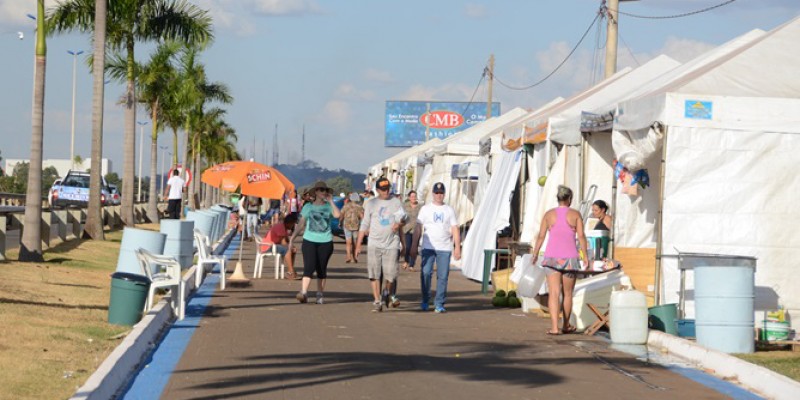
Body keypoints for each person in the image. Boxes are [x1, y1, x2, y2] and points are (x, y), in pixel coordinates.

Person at [530, 185, 589, 335]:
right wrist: (586, 257)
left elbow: (541, 236)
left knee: (554, 293)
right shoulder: (575, 214)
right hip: (570, 258)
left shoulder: (548, 215)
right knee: (568, 294)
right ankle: (566, 325)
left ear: (558, 198)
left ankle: (555, 328)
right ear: (569, 199)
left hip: (551, 258)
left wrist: (535, 253)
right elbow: (581, 236)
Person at [355, 178, 405, 312]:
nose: (386, 191)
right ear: (377, 190)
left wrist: (399, 224)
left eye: (387, 188)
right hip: (374, 243)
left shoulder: (396, 202)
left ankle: (386, 292)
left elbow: (404, 219)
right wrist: (358, 245)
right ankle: (377, 301)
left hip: (391, 244)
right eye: (383, 190)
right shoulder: (371, 204)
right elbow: (364, 224)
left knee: (391, 274)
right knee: (374, 273)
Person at [410, 182, 461, 313]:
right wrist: (414, 246)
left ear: (444, 194)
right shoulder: (425, 209)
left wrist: (457, 247)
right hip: (428, 247)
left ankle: (439, 303)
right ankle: (426, 299)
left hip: (444, 247)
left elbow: (455, 228)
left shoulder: (449, 210)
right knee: (426, 273)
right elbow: (418, 228)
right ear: (433, 194)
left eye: (441, 193)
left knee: (443, 276)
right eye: (437, 193)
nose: (439, 195)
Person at [289, 181, 340, 305]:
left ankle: (319, 294)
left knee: (321, 269)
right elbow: (301, 224)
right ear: (316, 192)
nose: (324, 192)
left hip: (326, 241)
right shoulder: (308, 207)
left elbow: (337, 215)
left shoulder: (329, 206)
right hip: (309, 240)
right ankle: (304, 292)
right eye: (321, 190)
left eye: (325, 190)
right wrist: (292, 239)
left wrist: (331, 201)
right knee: (309, 267)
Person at [260, 214, 299, 279]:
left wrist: (293, 247)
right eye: (293, 224)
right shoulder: (280, 227)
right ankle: (291, 272)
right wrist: (291, 247)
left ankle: (290, 270)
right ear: (289, 223)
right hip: (268, 246)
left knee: (292, 250)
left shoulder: (284, 228)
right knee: (287, 250)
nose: (293, 226)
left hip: (273, 245)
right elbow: (283, 242)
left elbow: (287, 240)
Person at [339, 192, 364, 263]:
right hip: (356, 227)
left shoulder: (346, 206)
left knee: (348, 242)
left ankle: (348, 256)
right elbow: (362, 217)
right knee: (355, 242)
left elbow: (341, 215)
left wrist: (340, 222)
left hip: (346, 226)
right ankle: (354, 257)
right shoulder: (359, 207)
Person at [401, 190, 421, 271]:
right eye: (412, 196)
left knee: (414, 248)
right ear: (409, 197)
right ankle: (406, 261)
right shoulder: (405, 206)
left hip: (416, 230)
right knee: (408, 247)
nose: (413, 198)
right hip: (407, 229)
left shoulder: (420, 207)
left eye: (415, 196)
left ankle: (411, 265)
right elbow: (401, 215)